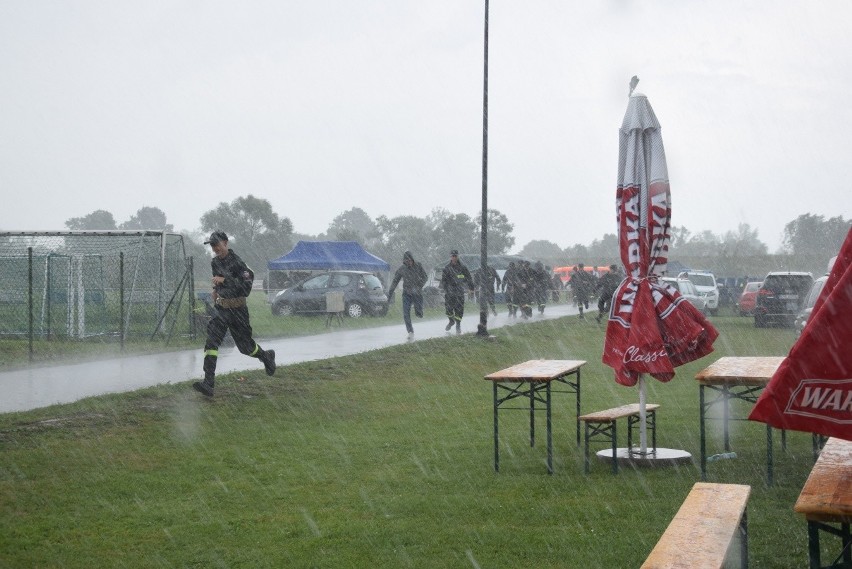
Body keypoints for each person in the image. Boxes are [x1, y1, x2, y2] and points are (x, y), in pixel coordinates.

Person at [193, 231, 276, 397]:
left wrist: (225, 281)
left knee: (245, 348)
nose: (215, 248)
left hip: (238, 310)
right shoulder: (215, 262)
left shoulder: (238, 263)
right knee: (211, 343)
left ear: (225, 243)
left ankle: (266, 356)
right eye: (212, 245)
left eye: (217, 244)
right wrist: (216, 290)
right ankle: (208, 383)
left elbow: (245, 288)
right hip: (222, 310)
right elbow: (218, 280)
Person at [386, 250, 428, 341]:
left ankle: (419, 311)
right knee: (405, 313)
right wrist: (389, 294)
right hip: (406, 294)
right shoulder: (402, 269)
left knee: (419, 313)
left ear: (412, 259)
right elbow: (395, 281)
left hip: (417, 293)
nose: (408, 263)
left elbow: (425, 277)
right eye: (406, 261)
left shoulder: (418, 266)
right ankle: (410, 331)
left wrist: (419, 286)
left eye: (409, 260)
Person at [440, 249, 475, 334]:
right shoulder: (447, 268)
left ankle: (458, 325)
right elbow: (443, 280)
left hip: (459, 291)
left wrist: (471, 288)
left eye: (455, 256)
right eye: (453, 256)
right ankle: (451, 321)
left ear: (457, 256)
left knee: (459, 309)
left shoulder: (463, 267)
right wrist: (444, 288)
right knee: (448, 309)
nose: (454, 257)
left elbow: (469, 278)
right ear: (450, 257)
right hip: (449, 292)